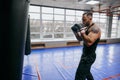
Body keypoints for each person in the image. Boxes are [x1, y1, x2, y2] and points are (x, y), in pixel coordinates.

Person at [73, 12, 101, 80]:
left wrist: (82, 33)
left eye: (84, 19)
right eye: (82, 19)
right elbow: (80, 39)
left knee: (79, 76)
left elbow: (89, 43)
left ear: (90, 18)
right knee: (87, 72)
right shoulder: (87, 27)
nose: (83, 21)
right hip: (85, 55)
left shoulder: (95, 29)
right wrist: (76, 32)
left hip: (89, 57)